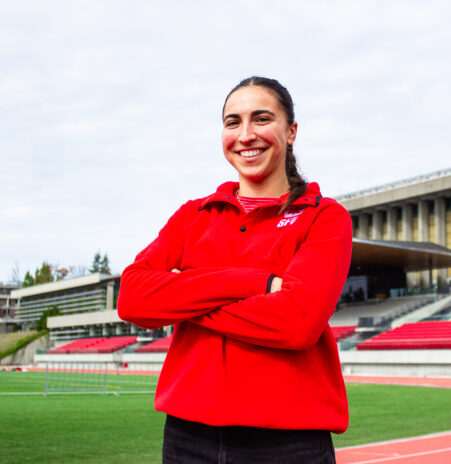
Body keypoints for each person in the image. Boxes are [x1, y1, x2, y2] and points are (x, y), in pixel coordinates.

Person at [118, 76, 352, 463]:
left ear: (291, 131)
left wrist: (182, 294)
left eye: (261, 119)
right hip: (187, 438)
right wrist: (256, 282)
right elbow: (132, 298)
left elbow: (297, 321)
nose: (246, 135)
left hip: (288, 443)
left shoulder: (324, 217)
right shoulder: (194, 214)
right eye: (232, 122)